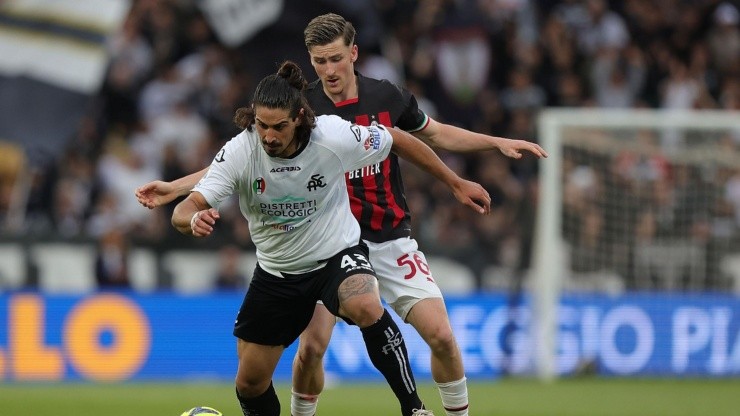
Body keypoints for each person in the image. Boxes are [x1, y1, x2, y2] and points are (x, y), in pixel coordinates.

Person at [136, 13, 547, 416]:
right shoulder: (299, 108)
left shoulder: (385, 98)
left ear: (353, 53)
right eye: (319, 61)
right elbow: (243, 157)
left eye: (335, 58)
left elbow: (433, 134)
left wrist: (489, 146)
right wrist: (178, 188)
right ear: (310, 61)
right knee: (311, 349)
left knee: (440, 334)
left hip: (386, 235)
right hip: (326, 242)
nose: (329, 70)